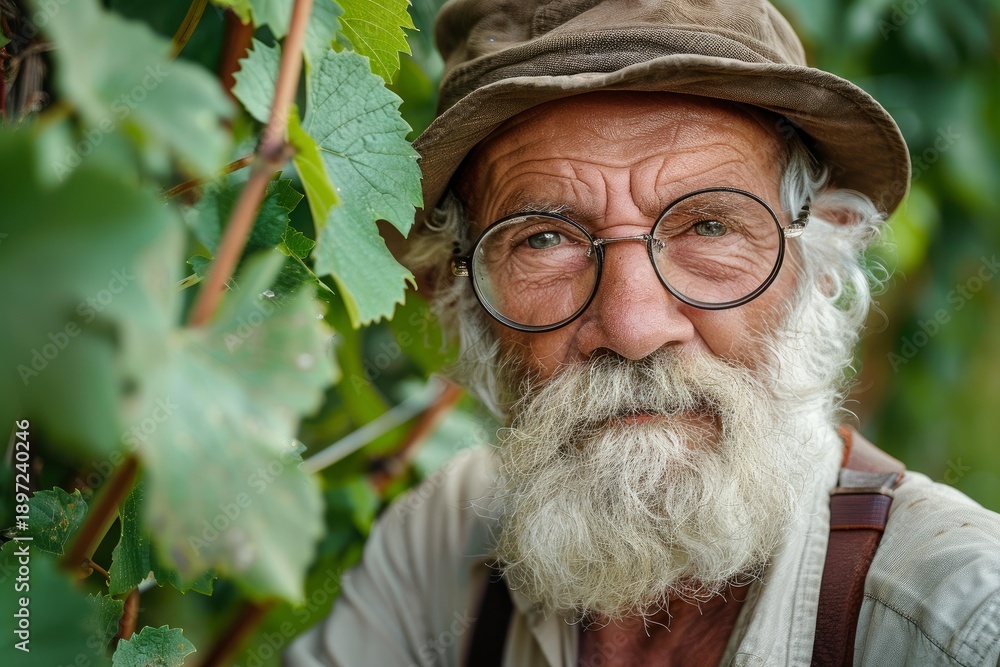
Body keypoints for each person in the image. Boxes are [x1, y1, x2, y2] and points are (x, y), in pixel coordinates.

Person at [286, 1, 1000, 665]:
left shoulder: (959, 618)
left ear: (817, 263)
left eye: (710, 226)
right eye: (544, 240)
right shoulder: (442, 544)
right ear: (464, 293)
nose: (631, 327)